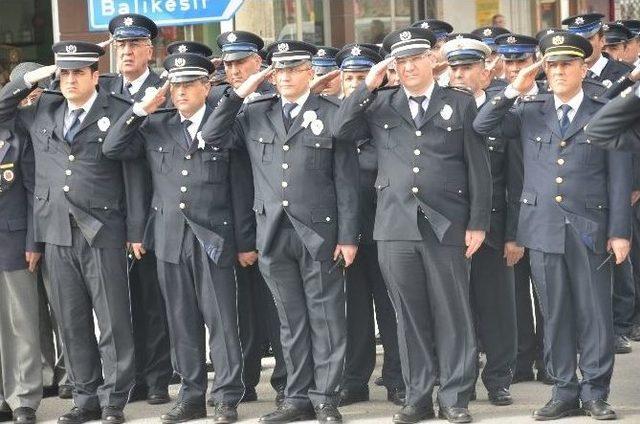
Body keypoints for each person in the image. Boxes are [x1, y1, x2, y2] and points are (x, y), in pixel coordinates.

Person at [333, 26, 492, 423]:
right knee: (408, 316)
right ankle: (418, 395)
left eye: (413, 60)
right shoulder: (380, 104)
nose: (407, 68)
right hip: (395, 224)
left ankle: (455, 397)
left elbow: (479, 168)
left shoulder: (458, 103)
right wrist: (366, 86)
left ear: (430, 62)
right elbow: (340, 130)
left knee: (452, 313)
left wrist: (477, 222)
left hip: (447, 224)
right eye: (399, 63)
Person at [474, 31, 632, 421]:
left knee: (595, 314)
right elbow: (483, 124)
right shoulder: (531, 108)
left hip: (590, 226)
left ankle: (596, 392)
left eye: (566, 64)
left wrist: (620, 231)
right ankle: (564, 389)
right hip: (543, 226)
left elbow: (621, 175)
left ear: (582, 67)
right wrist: (514, 87)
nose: (558, 71)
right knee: (555, 313)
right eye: (552, 65)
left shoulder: (602, 109)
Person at [201, 40, 360, 423]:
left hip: (319, 232)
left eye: (293, 69)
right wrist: (241, 92)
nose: (286, 77)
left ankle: (325, 398)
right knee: (290, 322)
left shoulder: (331, 111)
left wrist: (348, 236)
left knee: (325, 319)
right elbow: (211, 135)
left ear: (310, 72)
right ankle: (297, 397)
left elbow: (346, 181)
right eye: (279, 70)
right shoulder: (256, 112)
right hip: (271, 231)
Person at [102, 52, 251, 424]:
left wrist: (243, 240)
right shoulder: (157, 125)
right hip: (169, 236)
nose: (181, 92)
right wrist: (140, 109)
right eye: (176, 85)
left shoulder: (224, 125)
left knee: (221, 321)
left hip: (212, 236)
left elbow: (240, 188)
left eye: (188, 84)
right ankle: (191, 395)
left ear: (205, 86)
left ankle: (227, 396)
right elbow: (113, 148)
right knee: (180, 321)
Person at [0, 41, 138, 424]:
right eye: (65, 72)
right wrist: (31, 77)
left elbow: (133, 178)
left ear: (96, 75)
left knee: (112, 321)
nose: (71, 79)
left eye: (79, 72)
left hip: (102, 230)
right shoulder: (44, 108)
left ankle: (113, 400)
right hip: (56, 230)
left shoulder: (117, 111)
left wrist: (134, 230)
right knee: (71, 321)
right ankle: (84, 397)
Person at [209, 30, 287, 407]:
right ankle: (245, 381)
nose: (235, 69)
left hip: (272, 218)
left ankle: (288, 382)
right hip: (228, 220)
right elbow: (213, 139)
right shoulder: (217, 100)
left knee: (279, 308)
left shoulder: (276, 97)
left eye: (241, 62)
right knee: (240, 313)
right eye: (228, 63)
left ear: (260, 61)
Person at [443, 34, 518, 407]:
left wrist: (513, 234)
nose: (459, 74)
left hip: (492, 228)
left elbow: (516, 178)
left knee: (496, 307)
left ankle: (499, 378)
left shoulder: (503, 111)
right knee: (458, 310)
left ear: (486, 71)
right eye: (453, 67)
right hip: (450, 229)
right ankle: (462, 378)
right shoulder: (437, 110)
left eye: (467, 67)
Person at [104, 13, 173, 406]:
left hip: (152, 206)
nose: (126, 51)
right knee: (118, 304)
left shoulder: (165, 87)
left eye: (134, 44)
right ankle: (128, 378)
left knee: (152, 299)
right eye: (120, 45)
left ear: (150, 49)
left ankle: (158, 377)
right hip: (109, 211)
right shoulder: (105, 89)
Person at [331, 43, 404, 408]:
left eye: (364, 77)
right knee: (354, 309)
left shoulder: (387, 111)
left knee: (390, 308)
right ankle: (355, 379)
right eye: (350, 77)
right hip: (347, 229)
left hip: (385, 225)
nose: (357, 83)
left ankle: (396, 377)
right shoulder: (335, 113)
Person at [493, 32, 554, 385]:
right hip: (508, 214)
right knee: (513, 295)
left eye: (521, 61)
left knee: (548, 293)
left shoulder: (549, 100)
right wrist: (512, 230)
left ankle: (550, 360)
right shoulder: (496, 101)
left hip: (544, 212)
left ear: (535, 61)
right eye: (509, 62)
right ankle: (520, 360)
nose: (515, 68)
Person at [0, 63, 43, 424]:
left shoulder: (20, 133)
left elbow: (30, 192)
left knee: (21, 323)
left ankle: (23, 398)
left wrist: (32, 240)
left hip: (12, 239)